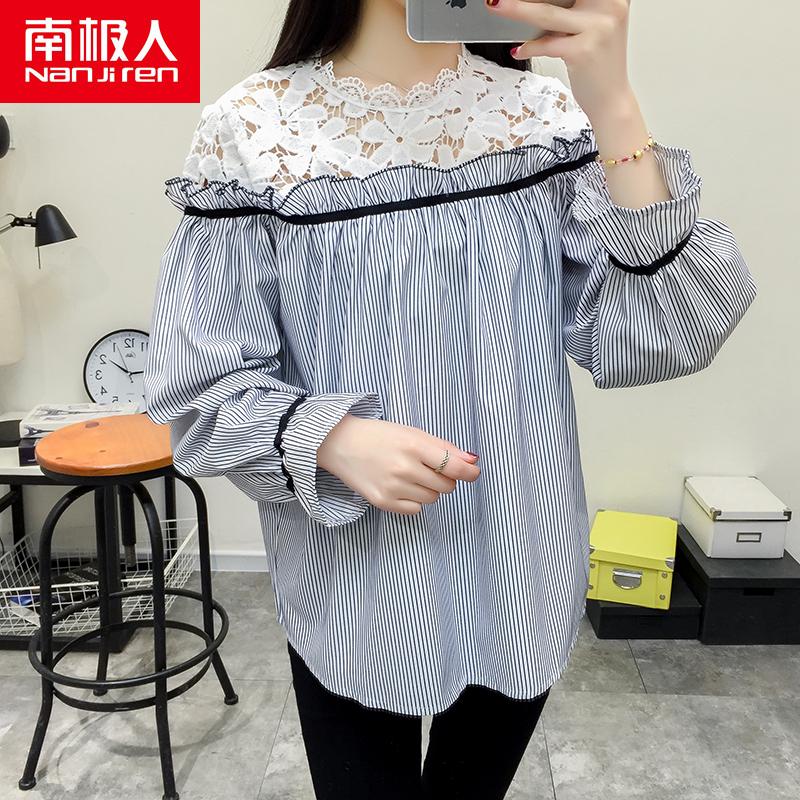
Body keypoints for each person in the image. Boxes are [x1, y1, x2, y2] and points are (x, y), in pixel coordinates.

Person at [143, 0, 758, 797]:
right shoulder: (255, 129)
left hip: (522, 564)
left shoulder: (542, 119)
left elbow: (663, 327)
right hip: (359, 579)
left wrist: (612, 102)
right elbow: (200, 390)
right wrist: (331, 438)